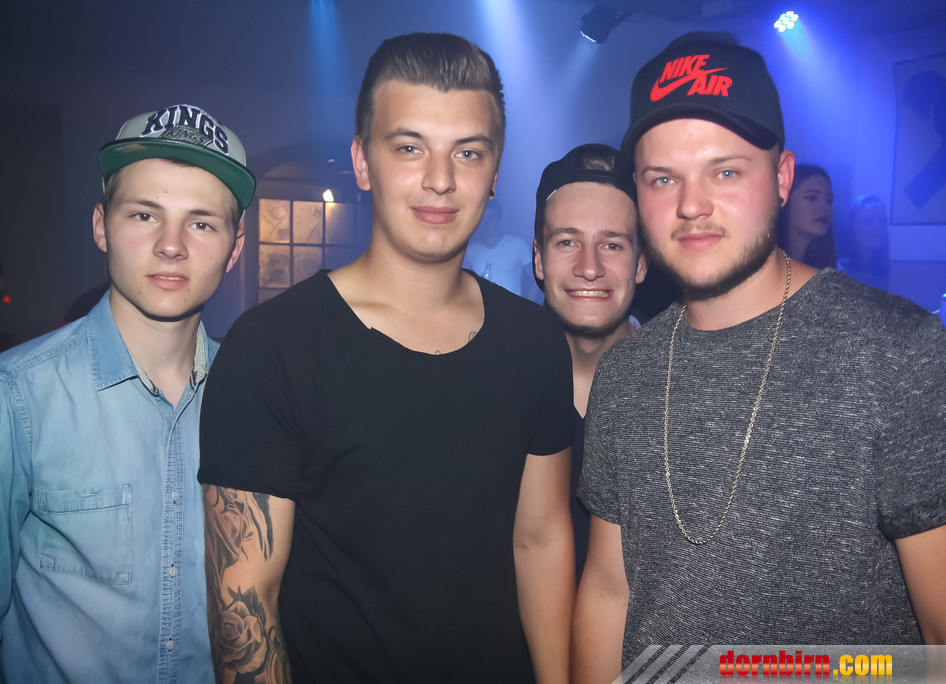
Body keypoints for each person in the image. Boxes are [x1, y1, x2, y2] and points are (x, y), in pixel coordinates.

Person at [573, 32, 946, 681]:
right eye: (664, 178)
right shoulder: (625, 373)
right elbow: (610, 592)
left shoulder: (897, 354)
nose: (691, 205)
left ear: (781, 177)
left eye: (725, 171)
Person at [198, 33, 575, 683]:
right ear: (362, 162)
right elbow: (246, 606)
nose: (440, 179)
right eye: (409, 148)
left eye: (468, 152)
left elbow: (540, 541)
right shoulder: (272, 349)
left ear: (494, 174)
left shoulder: (534, 341)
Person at [0, 104, 252, 682]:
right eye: (144, 214)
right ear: (100, 226)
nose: (171, 245)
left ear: (234, 248)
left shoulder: (258, 397)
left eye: (202, 223)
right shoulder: (18, 396)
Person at [531, 143, 646, 581]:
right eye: (567, 242)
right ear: (539, 259)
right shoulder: (497, 382)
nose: (590, 267)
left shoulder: (683, 386)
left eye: (612, 244)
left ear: (641, 264)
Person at [776, 163, 837, 268]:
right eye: (812, 198)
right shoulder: (764, 264)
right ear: (785, 201)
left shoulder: (823, 269)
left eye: (829, 200)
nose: (825, 207)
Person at [838, 193, 891, 290]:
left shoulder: (877, 269)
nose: (878, 227)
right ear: (851, 227)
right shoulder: (838, 270)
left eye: (882, 221)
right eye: (869, 221)